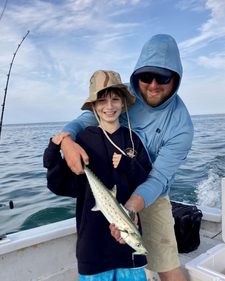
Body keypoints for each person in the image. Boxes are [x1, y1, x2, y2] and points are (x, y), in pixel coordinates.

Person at [60, 34, 194, 281]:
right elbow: (87, 120)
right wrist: (66, 139)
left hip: (150, 195)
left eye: (163, 77)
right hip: (112, 189)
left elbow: (160, 177)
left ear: (176, 77)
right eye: (146, 76)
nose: (153, 85)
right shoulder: (123, 97)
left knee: (166, 265)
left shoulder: (181, 125)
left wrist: (131, 207)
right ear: (137, 76)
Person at [43, 70, 151, 281]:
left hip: (129, 250)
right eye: (102, 100)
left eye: (115, 99)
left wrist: (129, 165)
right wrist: (53, 152)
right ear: (93, 105)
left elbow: (144, 181)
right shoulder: (81, 141)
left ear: (123, 103)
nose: (109, 106)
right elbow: (61, 185)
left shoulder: (134, 140)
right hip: (92, 248)